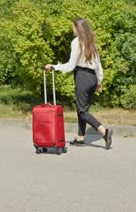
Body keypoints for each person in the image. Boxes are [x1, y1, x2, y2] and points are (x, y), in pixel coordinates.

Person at [45, 18, 113, 150]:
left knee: (82, 111)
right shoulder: (91, 43)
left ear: (78, 28)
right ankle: (80, 137)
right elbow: (99, 66)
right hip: (92, 78)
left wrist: (54, 67)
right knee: (82, 108)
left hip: (82, 76)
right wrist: (99, 81)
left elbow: (71, 65)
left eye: (74, 27)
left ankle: (104, 132)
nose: (72, 29)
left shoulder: (76, 42)